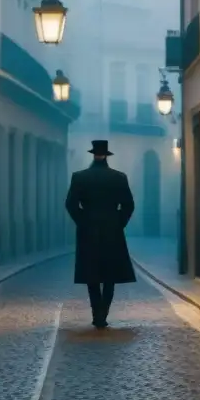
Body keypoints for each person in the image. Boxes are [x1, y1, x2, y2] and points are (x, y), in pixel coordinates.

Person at [64, 140, 137, 328]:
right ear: (106, 156)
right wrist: (118, 222)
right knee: (109, 275)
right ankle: (103, 313)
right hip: (112, 229)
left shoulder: (79, 177)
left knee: (92, 274)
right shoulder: (119, 178)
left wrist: (82, 220)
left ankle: (96, 313)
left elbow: (70, 204)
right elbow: (128, 205)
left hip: (88, 229)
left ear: (93, 155)